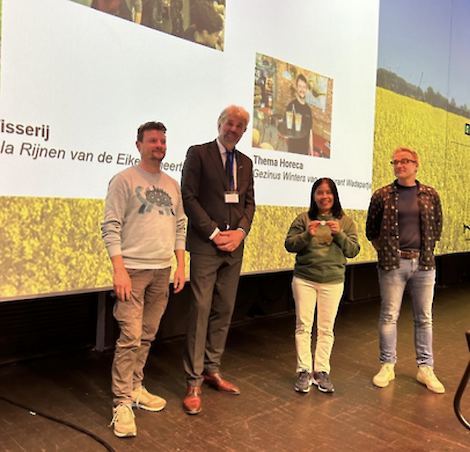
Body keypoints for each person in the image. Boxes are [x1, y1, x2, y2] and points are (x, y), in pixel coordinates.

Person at [101, 121, 186, 437]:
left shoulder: (172, 185)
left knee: (147, 335)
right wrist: (119, 269)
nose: (159, 146)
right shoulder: (124, 180)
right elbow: (110, 226)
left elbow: (179, 227)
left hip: (162, 272)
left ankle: (136, 387)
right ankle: (121, 403)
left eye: (162, 141)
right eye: (153, 141)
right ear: (139, 145)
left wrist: (180, 265)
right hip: (133, 273)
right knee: (130, 337)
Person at [181, 105, 255, 415]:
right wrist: (213, 233)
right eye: (229, 123)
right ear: (219, 124)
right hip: (205, 245)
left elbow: (249, 204)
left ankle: (212, 369)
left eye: (239, 126)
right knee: (200, 311)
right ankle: (193, 380)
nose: (233, 129)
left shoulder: (246, 163)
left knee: (224, 310)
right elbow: (188, 197)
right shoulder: (198, 153)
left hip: (234, 248)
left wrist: (239, 233)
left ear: (244, 131)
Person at [366, 147, 444, 393]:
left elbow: (437, 227)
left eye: (405, 161)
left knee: (424, 318)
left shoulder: (431, 194)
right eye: (396, 162)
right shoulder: (382, 195)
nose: (399, 165)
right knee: (389, 316)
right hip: (393, 263)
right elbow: (371, 230)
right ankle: (387, 365)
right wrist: (387, 250)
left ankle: (425, 368)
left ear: (416, 165)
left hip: (424, 263)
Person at [285, 178, 359, 393]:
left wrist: (339, 235)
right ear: (314, 196)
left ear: (334, 196)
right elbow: (289, 245)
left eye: (328, 192)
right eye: (320, 192)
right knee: (303, 327)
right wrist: (308, 234)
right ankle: (304, 371)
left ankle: (321, 371)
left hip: (333, 281)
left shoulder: (345, 222)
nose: (324, 196)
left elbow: (353, 250)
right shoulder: (303, 218)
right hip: (305, 279)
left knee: (326, 329)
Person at [283, 74, 313, 155]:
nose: (302, 89)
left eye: (304, 87)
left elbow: (310, 131)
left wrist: (312, 151)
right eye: (300, 86)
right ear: (296, 87)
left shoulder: (308, 110)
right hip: (293, 151)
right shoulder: (291, 106)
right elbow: (284, 130)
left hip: (305, 152)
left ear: (306, 89)